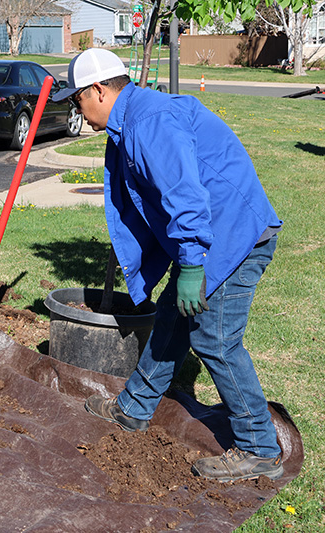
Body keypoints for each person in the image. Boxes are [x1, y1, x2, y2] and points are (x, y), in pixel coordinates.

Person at [52, 48, 284, 482]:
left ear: (99, 91)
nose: (76, 109)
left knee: (215, 339)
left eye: (76, 98)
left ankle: (259, 447)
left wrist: (192, 266)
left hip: (233, 238)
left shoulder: (148, 122)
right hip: (213, 237)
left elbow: (187, 198)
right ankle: (135, 407)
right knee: (172, 319)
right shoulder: (136, 117)